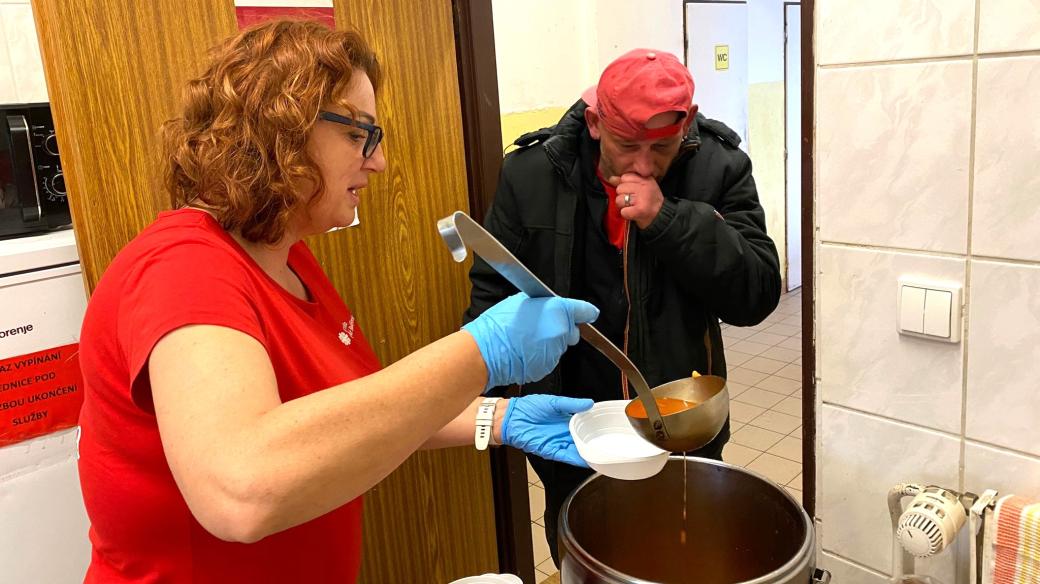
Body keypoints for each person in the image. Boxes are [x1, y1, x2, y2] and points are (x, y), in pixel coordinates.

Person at [76, 20, 600, 583]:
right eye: (358, 134)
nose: (377, 161)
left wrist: (499, 418)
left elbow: (352, 418)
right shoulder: (183, 268)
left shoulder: (287, 255)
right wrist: (482, 354)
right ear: (281, 126)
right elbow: (242, 488)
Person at [465, 48, 781, 564]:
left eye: (662, 147)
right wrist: (499, 408)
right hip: (573, 426)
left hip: (680, 423)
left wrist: (669, 220)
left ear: (688, 125)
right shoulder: (531, 173)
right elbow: (489, 295)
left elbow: (758, 294)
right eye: (626, 144)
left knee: (684, 559)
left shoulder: (719, 167)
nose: (642, 164)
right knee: (584, 558)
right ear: (594, 123)